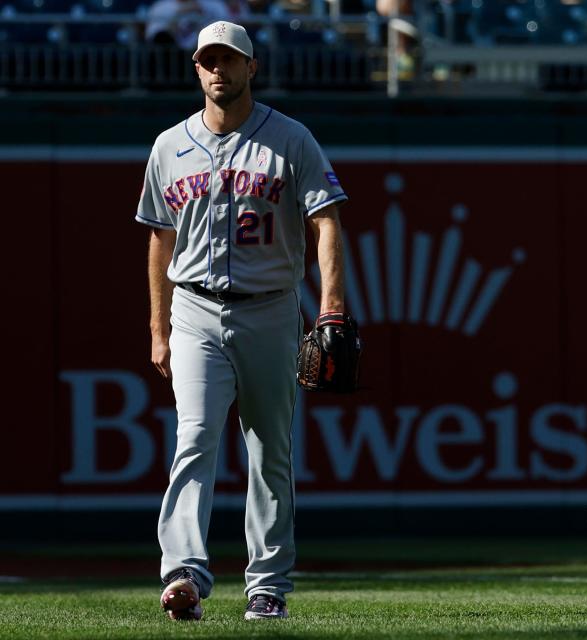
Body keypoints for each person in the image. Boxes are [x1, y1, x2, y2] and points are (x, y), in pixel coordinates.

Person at [135, 20, 348, 621]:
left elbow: (327, 220)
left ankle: (267, 586)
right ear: (196, 68)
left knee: (269, 452)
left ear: (252, 67)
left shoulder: (290, 138)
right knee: (194, 440)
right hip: (194, 308)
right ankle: (183, 573)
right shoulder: (168, 146)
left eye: (229, 59)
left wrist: (330, 306)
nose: (217, 69)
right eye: (208, 60)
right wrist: (158, 329)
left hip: (272, 308)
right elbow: (159, 240)